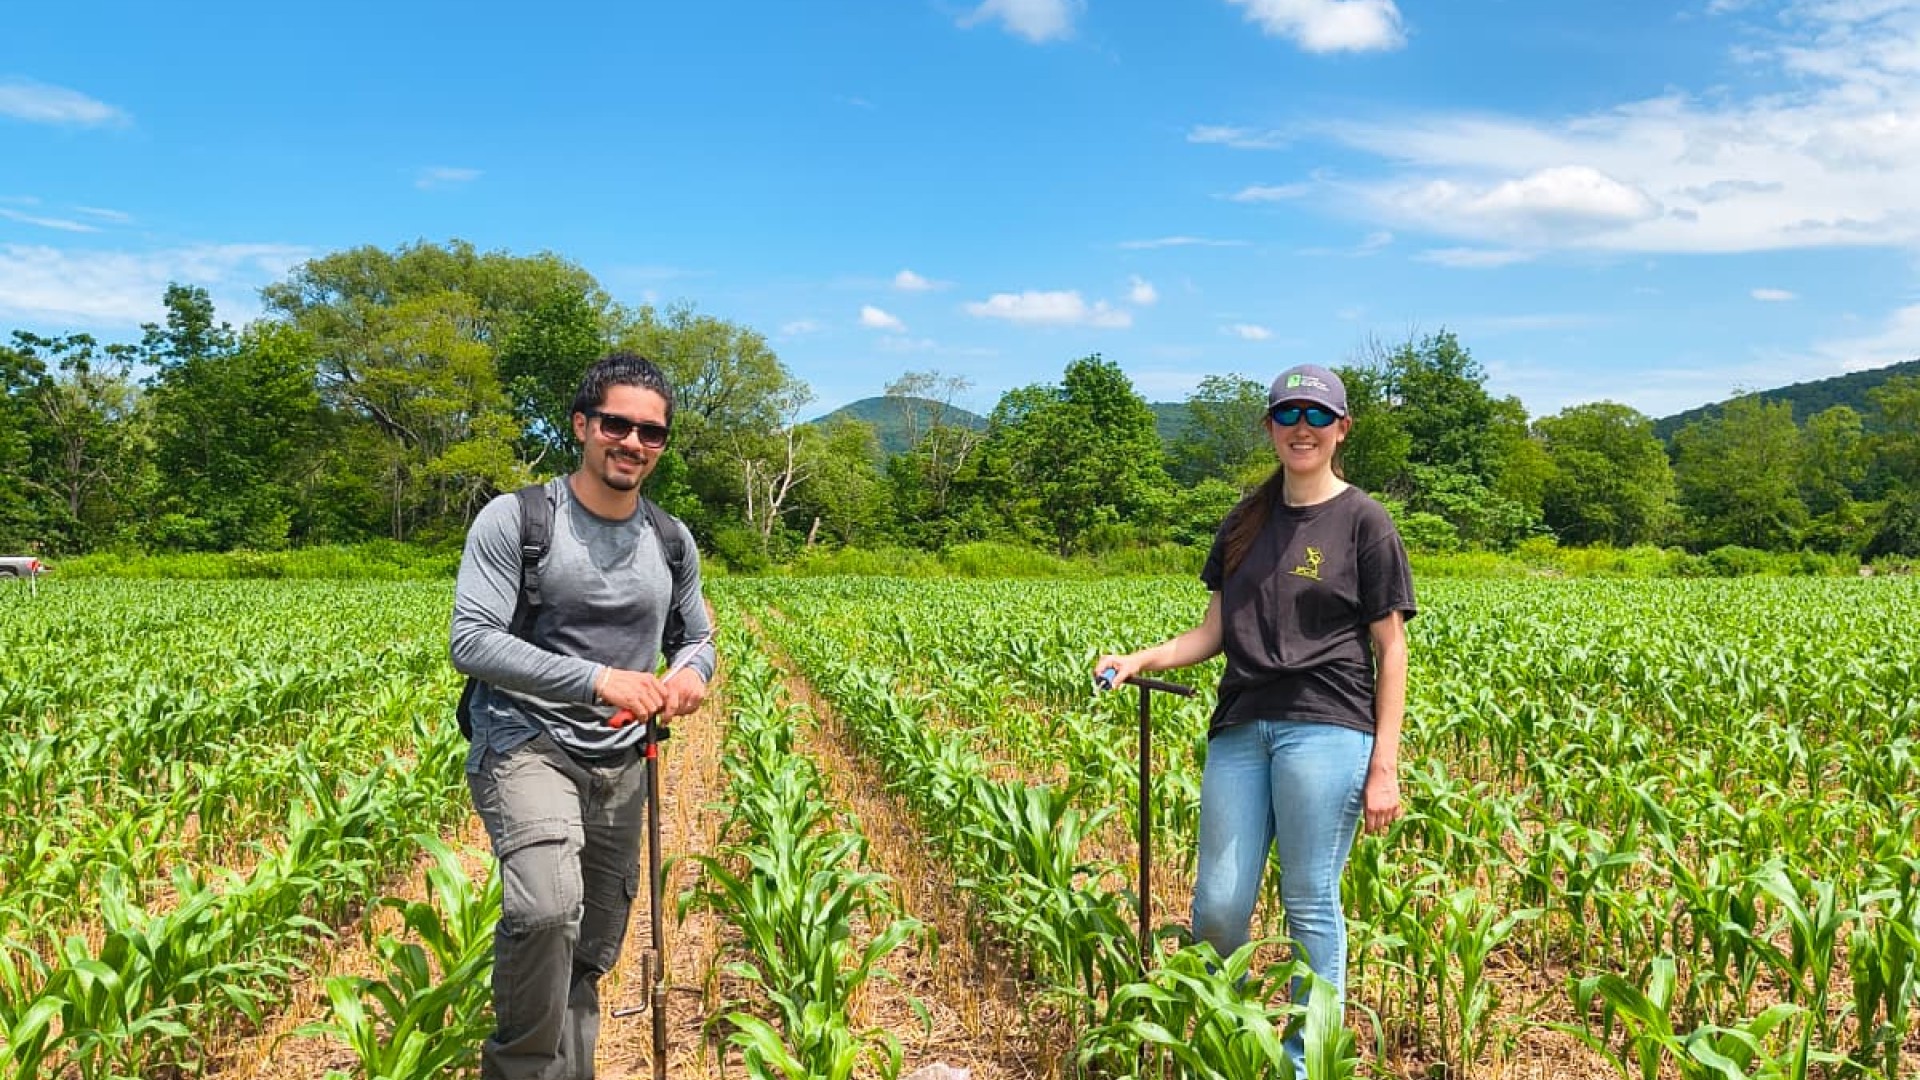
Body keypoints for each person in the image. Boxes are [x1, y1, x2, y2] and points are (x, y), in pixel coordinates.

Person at [1094, 362, 1413, 1069]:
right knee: (1216, 906)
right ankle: (1228, 1044)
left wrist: (1383, 766)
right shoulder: (1244, 519)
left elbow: (1391, 649)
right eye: (1290, 415)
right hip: (1241, 728)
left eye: (1318, 416)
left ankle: (1307, 1061)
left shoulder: (1365, 521)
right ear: (1269, 426)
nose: (1304, 429)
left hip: (1327, 726)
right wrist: (1142, 657)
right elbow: (1211, 632)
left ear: (1342, 430)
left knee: (1308, 900)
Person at [450, 351, 716, 1080]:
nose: (632, 442)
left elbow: (697, 636)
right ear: (581, 425)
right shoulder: (519, 519)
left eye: (651, 432)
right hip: (525, 739)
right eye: (616, 424)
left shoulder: (670, 539)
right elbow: (472, 641)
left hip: (622, 762)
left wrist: (692, 673)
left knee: (591, 943)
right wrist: (601, 681)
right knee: (544, 910)